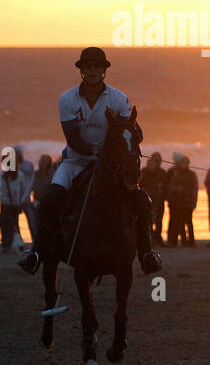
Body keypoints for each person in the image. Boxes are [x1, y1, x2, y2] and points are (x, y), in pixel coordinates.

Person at [17, 46, 162, 274]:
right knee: (50, 199)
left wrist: (135, 134)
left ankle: (146, 253)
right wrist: (94, 151)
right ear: (82, 71)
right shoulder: (67, 99)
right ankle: (36, 252)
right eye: (88, 67)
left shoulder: (119, 98)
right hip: (75, 162)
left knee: (143, 201)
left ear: (104, 70)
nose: (93, 70)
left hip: (110, 166)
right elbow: (72, 138)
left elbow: (130, 129)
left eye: (97, 67)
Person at [0, 157, 33, 253]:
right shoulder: (7, 175)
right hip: (10, 204)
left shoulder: (7, 175)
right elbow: (25, 190)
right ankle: (10, 245)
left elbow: (1, 188)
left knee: (8, 225)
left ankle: (7, 245)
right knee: (10, 225)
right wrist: (21, 200)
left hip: (8, 204)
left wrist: (21, 201)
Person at [165, 154, 198, 246]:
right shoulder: (174, 173)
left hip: (188, 202)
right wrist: (174, 192)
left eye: (185, 162)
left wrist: (194, 201)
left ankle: (191, 241)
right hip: (176, 202)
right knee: (176, 222)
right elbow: (169, 186)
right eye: (181, 162)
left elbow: (195, 188)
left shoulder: (191, 174)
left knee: (188, 221)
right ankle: (174, 241)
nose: (183, 164)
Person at [140, 152, 167, 241]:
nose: (157, 162)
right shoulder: (144, 171)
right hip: (147, 200)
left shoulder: (162, 172)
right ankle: (149, 238)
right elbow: (140, 185)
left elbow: (167, 186)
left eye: (158, 160)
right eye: (155, 160)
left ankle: (158, 238)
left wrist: (165, 196)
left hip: (159, 199)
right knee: (148, 220)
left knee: (159, 220)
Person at [28, 153, 55, 243]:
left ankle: (45, 242)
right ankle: (36, 242)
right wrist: (25, 199)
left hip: (47, 203)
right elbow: (30, 187)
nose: (43, 164)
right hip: (36, 202)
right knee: (36, 224)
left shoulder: (52, 174)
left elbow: (53, 189)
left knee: (46, 224)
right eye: (42, 161)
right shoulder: (36, 173)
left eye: (45, 162)